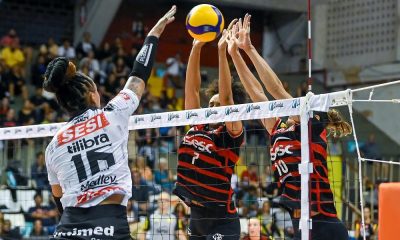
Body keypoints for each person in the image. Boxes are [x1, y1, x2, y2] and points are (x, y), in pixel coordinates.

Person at [43, 6, 176, 240]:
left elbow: (58, 197)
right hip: (109, 225)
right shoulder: (113, 113)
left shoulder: (53, 145)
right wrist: (152, 36)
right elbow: (138, 76)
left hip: (68, 228)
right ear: (93, 94)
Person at [226, 14, 351, 240]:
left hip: (324, 224)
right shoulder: (278, 130)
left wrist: (251, 49)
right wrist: (235, 54)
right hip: (299, 224)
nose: (297, 104)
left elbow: (277, 92)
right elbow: (257, 95)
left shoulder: (312, 127)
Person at [173, 19, 246, 240]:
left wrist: (221, 52)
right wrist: (196, 47)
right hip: (196, 216)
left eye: (217, 105)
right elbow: (192, 91)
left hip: (222, 218)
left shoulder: (230, 134)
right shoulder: (198, 125)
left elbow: (226, 98)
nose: (213, 107)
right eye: (210, 104)